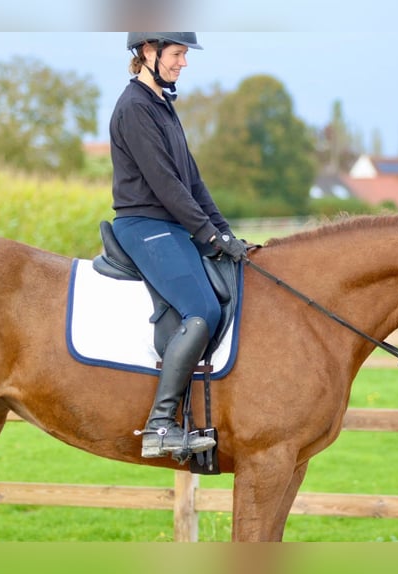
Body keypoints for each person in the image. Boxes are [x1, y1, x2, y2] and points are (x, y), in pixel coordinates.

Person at [109, 32, 247, 458]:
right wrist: (206, 234)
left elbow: (192, 181)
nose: (183, 63)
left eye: (184, 55)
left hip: (170, 225)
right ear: (148, 52)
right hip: (145, 224)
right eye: (177, 53)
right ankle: (161, 424)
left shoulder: (162, 106)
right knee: (202, 308)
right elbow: (165, 185)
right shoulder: (134, 108)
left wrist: (224, 233)